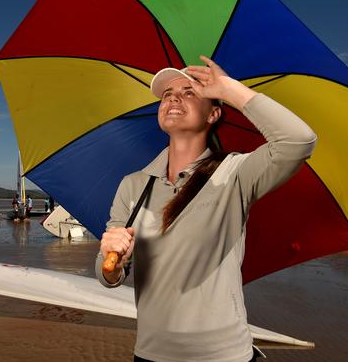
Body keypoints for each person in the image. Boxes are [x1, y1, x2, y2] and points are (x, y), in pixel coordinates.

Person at [96, 56, 316, 362]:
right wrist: (113, 261)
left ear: (214, 113)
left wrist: (230, 90)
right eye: (167, 95)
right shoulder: (133, 185)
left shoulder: (236, 173)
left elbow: (299, 140)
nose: (173, 98)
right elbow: (107, 275)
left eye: (189, 92)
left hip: (223, 354)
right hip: (151, 352)